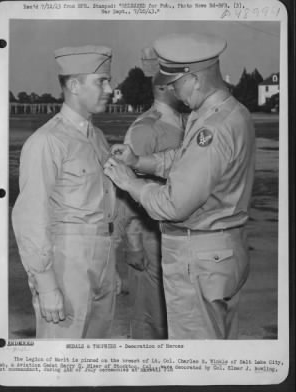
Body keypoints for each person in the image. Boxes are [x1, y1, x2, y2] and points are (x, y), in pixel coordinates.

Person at [104, 33, 256, 339]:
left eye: (175, 82)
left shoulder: (212, 128)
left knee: (195, 361)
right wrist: (140, 161)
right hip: (223, 251)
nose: (171, 88)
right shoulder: (229, 112)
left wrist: (132, 184)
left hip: (199, 256)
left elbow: (174, 205)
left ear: (195, 78)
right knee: (218, 352)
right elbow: (187, 161)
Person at [12, 45, 121, 338]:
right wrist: (46, 284)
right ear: (74, 85)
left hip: (102, 259)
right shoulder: (47, 141)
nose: (110, 88)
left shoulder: (96, 137)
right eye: (101, 81)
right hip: (67, 261)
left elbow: (105, 203)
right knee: (61, 359)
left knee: (94, 361)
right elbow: (30, 216)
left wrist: (110, 264)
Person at [122, 47, 184, 339]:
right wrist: (133, 240)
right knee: (151, 318)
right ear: (164, 86)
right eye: (179, 81)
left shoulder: (186, 121)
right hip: (151, 238)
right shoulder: (145, 129)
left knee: (176, 320)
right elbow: (128, 187)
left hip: (178, 235)